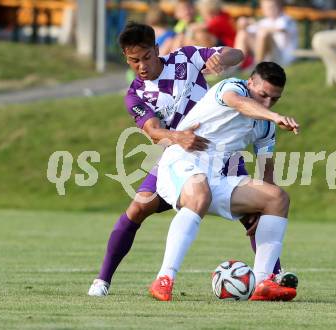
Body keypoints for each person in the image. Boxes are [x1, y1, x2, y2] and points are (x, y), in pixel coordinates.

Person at [87, 22, 283, 297]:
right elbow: (154, 132)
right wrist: (178, 137)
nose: (142, 65)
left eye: (146, 57)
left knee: (258, 212)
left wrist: (220, 59)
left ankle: (273, 277)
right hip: (179, 157)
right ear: (126, 58)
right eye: (134, 60)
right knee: (136, 210)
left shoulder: (185, 58)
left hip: (222, 152)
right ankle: (102, 280)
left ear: (157, 50)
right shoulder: (135, 95)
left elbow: (236, 54)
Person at [150, 62, 300, 302]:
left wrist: (262, 212)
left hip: (215, 178)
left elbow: (266, 170)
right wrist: (274, 115)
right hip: (179, 164)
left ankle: (263, 283)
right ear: (250, 83)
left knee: (277, 198)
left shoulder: (265, 124)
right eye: (263, 95)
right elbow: (240, 103)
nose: (268, 103)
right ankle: (164, 278)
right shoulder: (230, 88)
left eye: (275, 99)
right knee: (199, 192)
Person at [234, 0, 298, 67]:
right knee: (243, 34)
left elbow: (281, 29)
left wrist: (255, 24)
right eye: (265, 7)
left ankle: (257, 67)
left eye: (271, 7)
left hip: (283, 58)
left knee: (263, 33)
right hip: (268, 56)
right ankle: (234, 66)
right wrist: (242, 25)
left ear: (279, 6)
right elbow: (249, 32)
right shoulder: (264, 22)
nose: (268, 10)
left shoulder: (287, 19)